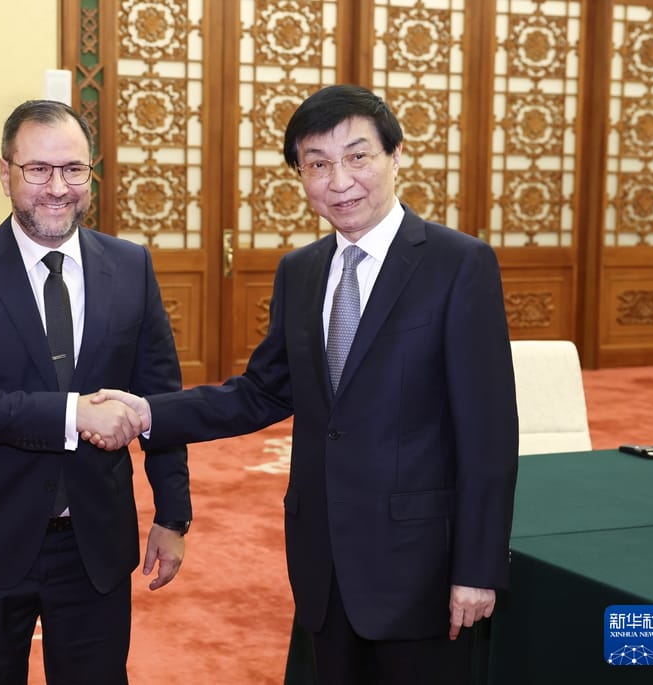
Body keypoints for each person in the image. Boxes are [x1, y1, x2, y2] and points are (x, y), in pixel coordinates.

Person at [92, 84, 519, 684]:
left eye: (357, 157)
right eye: (317, 164)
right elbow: (263, 392)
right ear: (301, 176)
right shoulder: (301, 271)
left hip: (419, 561)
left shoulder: (459, 264)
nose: (339, 181)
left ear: (396, 156)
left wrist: (476, 569)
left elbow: (489, 433)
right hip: (322, 554)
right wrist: (147, 413)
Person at [0, 99, 192, 685]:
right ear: (5, 173)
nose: (58, 188)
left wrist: (174, 515)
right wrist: (74, 413)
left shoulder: (131, 266)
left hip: (95, 542)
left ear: (91, 171)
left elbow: (159, 400)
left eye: (73, 169)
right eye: (38, 169)